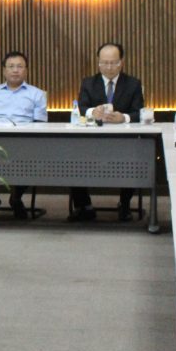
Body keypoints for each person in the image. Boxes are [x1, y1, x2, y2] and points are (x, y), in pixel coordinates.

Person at [69, 42, 145, 221]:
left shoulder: (133, 84)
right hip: (91, 141)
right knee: (71, 158)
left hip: (124, 142)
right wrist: (92, 112)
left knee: (135, 160)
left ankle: (124, 204)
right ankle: (84, 205)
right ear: (98, 63)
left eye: (113, 63)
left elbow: (139, 113)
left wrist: (123, 118)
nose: (109, 67)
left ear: (121, 62)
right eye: (104, 63)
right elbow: (81, 108)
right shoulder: (88, 83)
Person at [0, 51, 48, 219]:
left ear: (26, 70)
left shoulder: (37, 94)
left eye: (20, 66)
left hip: (23, 144)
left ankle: (16, 198)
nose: (15, 70)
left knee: (35, 157)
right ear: (4, 70)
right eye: (11, 66)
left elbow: (40, 125)